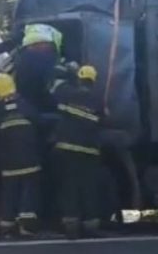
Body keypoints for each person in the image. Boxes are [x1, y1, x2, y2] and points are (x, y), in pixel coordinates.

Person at [0, 73, 41, 238]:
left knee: (9, 193)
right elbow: (38, 121)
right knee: (29, 193)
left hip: (7, 162)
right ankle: (26, 228)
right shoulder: (25, 106)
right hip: (29, 159)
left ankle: (6, 227)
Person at [50, 65, 104, 239]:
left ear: (79, 78)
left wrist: (68, 70)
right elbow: (103, 120)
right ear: (94, 81)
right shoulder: (98, 99)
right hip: (89, 151)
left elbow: (53, 89)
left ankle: (71, 226)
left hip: (67, 149)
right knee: (89, 189)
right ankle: (91, 225)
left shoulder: (67, 92)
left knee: (69, 188)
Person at [0, 23, 63, 113]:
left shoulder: (62, 77)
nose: (37, 53)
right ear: (24, 49)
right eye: (33, 47)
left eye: (44, 48)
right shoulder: (9, 72)